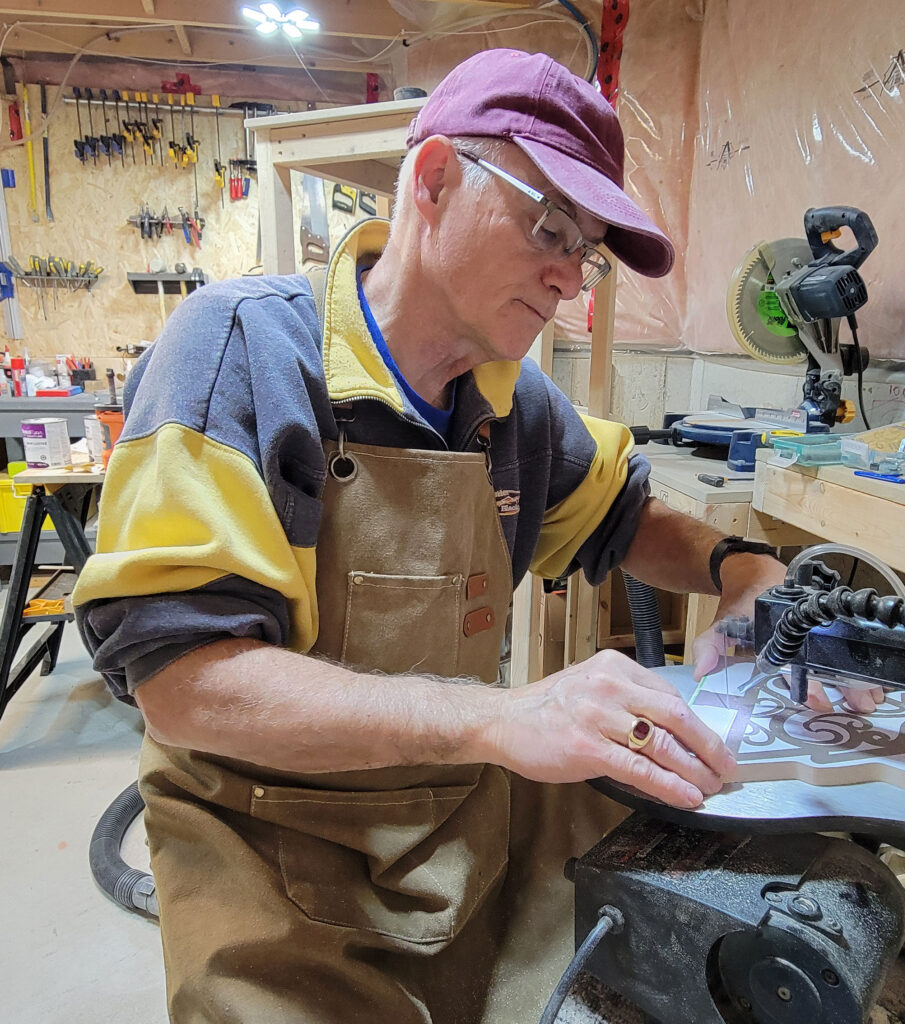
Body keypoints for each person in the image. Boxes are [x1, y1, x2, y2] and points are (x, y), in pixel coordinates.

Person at [73, 48, 861, 1024]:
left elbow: (627, 520)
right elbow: (182, 681)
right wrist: (499, 715)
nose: (570, 277)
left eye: (586, 250)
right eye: (551, 227)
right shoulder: (240, 353)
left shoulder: (516, 406)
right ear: (436, 178)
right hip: (270, 844)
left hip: (458, 816)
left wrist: (742, 568)